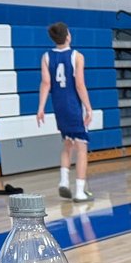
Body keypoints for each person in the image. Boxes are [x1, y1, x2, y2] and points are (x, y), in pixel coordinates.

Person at [37, 22, 94, 201]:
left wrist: (41, 107)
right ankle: (79, 192)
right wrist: (89, 107)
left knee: (68, 143)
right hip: (73, 106)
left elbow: (46, 83)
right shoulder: (77, 56)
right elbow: (79, 84)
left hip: (59, 106)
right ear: (68, 36)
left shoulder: (46, 57)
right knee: (82, 148)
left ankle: (63, 181)